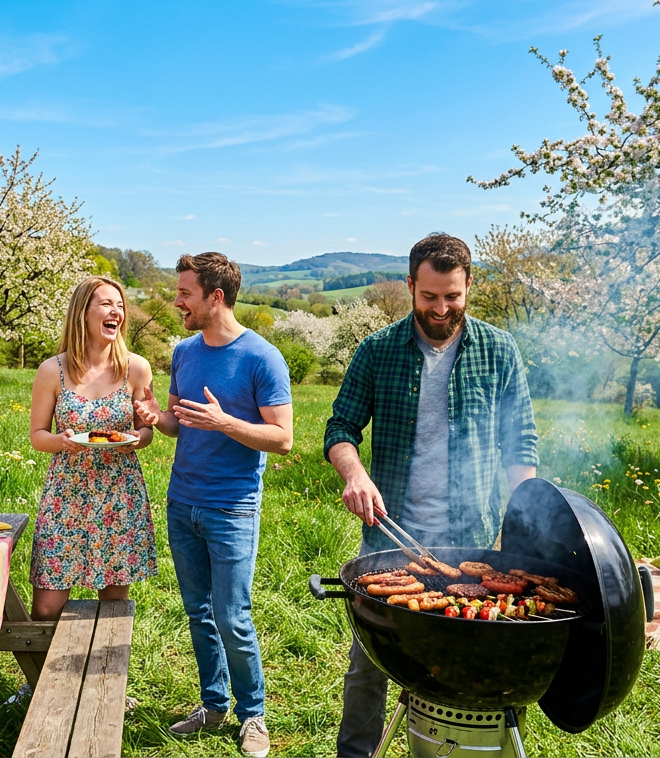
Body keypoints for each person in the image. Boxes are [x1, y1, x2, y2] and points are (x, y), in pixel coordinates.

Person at [324, 233, 538, 757]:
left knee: (472, 655)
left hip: (470, 539)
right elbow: (340, 427)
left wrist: (525, 516)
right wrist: (355, 474)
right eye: (429, 297)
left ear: (469, 286)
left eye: (452, 296)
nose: (441, 309)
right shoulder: (377, 350)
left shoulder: (499, 350)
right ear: (410, 286)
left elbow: (520, 440)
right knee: (370, 663)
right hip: (390, 535)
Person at [134, 252, 292, 758]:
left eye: (185, 293)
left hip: (232, 509)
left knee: (232, 617)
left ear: (215, 297)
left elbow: (283, 438)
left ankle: (253, 715)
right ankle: (213, 705)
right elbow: (178, 422)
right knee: (198, 612)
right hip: (182, 502)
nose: (177, 301)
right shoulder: (184, 352)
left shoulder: (262, 357)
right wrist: (155, 416)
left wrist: (226, 422)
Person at [27, 276, 157, 621]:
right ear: (83, 312)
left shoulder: (136, 368)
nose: (116, 312)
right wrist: (62, 442)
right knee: (46, 608)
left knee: (112, 604)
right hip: (66, 493)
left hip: (119, 493)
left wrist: (139, 436)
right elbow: (38, 435)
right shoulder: (51, 370)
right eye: (106, 304)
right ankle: (43, 660)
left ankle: (103, 658)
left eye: (120, 305)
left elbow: (145, 431)